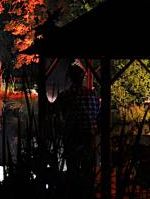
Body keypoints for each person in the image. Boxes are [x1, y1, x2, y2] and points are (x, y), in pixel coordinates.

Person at [55, 63, 100, 198]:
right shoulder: (93, 94)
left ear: (70, 78)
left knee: (73, 166)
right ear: (83, 78)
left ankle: (75, 192)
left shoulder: (65, 96)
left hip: (73, 135)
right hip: (89, 134)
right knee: (88, 166)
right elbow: (98, 114)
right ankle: (88, 191)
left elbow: (58, 114)